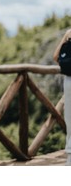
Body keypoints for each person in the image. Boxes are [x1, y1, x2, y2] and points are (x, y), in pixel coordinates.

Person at [53, 28, 71, 166]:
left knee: (69, 118)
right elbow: (56, 57)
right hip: (68, 82)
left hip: (68, 81)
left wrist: (65, 36)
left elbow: (56, 57)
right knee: (69, 118)